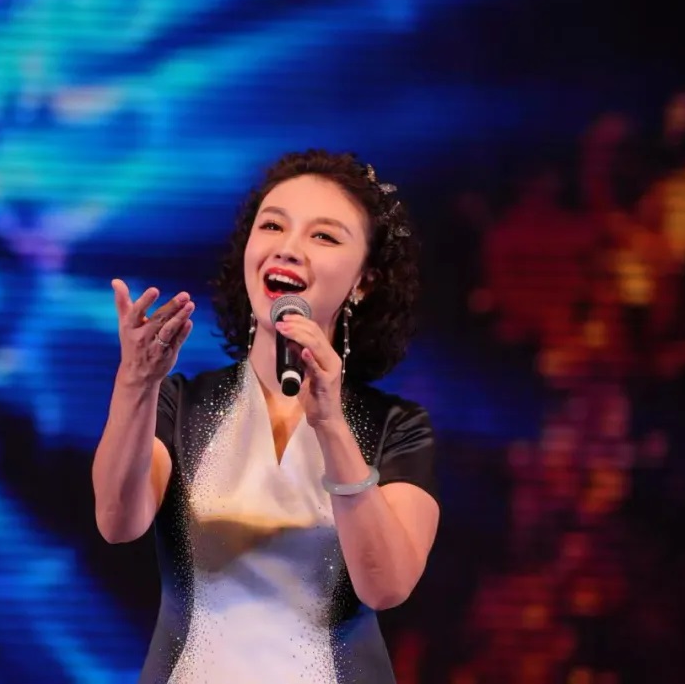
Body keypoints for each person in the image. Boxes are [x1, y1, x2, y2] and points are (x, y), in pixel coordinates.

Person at [92, 150, 440, 684]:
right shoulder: (180, 404)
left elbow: (386, 585)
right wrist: (136, 384)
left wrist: (330, 425)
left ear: (363, 281)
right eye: (273, 225)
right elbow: (118, 522)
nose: (288, 248)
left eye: (323, 236)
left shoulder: (397, 425)